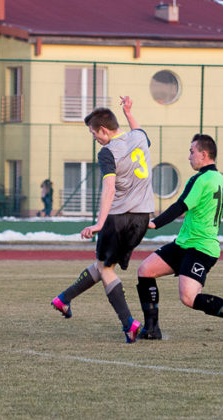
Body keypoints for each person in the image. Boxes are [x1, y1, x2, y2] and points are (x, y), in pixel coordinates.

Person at [135, 134, 223, 342]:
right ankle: (151, 329)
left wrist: (154, 223)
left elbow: (180, 206)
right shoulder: (218, 179)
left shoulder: (200, 180)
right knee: (145, 270)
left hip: (202, 248)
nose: (189, 157)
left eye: (192, 152)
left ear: (204, 154)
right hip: (184, 244)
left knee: (189, 297)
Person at [50, 96, 153, 343]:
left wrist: (99, 223)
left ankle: (129, 324)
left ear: (104, 130)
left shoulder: (107, 152)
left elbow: (109, 188)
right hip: (142, 218)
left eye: (94, 133)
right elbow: (138, 129)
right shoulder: (139, 138)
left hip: (118, 218)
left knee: (105, 268)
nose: (94, 137)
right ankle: (63, 299)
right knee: (103, 264)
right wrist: (129, 112)